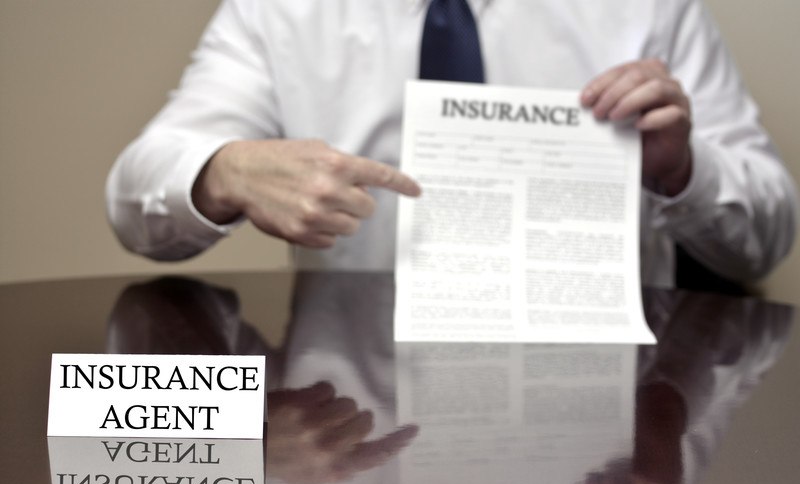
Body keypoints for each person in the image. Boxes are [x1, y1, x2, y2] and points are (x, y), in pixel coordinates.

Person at [106, 0, 797, 287]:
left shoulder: (646, 7)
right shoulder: (280, 11)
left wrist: (683, 169)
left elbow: (768, 235)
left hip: (608, 439)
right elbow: (134, 196)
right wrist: (224, 172)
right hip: (351, 429)